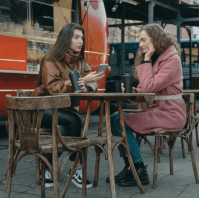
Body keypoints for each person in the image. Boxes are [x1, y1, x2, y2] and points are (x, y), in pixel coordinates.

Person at [107, 24, 186, 187]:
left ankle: (139, 170)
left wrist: (146, 59)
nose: (140, 44)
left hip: (171, 113)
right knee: (114, 117)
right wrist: (133, 91)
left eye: (143, 40)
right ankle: (131, 167)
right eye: (139, 40)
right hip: (160, 111)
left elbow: (150, 87)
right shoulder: (159, 59)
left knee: (120, 121)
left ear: (155, 39)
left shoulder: (172, 59)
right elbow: (146, 90)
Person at [31, 23, 104, 188]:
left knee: (63, 132)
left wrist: (87, 85)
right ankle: (76, 169)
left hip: (63, 110)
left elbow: (93, 84)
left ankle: (45, 168)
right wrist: (80, 82)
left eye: (82, 38)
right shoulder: (50, 59)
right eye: (76, 37)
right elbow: (53, 87)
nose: (80, 41)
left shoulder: (81, 60)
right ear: (66, 39)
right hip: (41, 108)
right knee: (74, 121)